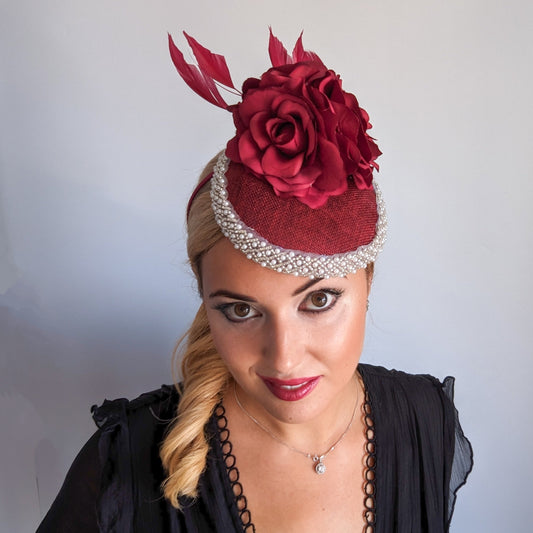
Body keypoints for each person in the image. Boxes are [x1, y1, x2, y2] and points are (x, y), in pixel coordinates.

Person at [37, 30, 473, 532]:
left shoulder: (427, 421)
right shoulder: (122, 463)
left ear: (368, 282)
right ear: (204, 297)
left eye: (319, 300)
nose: (283, 358)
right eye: (240, 310)